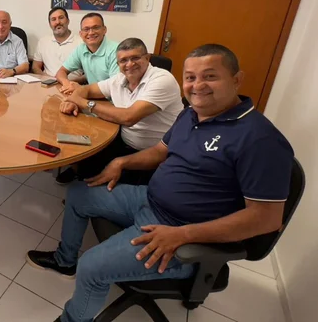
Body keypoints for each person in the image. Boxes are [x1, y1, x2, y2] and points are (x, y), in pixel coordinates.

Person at [26, 44, 294, 322]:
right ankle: (65, 260)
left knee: (92, 267)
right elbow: (160, 152)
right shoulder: (191, 114)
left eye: (210, 76)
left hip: (180, 231)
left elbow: (266, 219)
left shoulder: (260, 140)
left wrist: (184, 235)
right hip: (149, 200)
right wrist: (121, 162)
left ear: (236, 79)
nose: (197, 85)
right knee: (79, 193)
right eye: (190, 77)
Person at [55, 38, 183, 185]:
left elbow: (129, 117)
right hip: (124, 141)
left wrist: (83, 103)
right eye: (123, 60)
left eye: (135, 58)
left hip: (155, 152)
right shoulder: (120, 78)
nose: (129, 64)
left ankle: (92, 197)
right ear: (118, 64)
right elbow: (87, 89)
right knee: (81, 145)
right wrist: (73, 101)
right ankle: (83, 188)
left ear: (147, 58)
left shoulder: (162, 79)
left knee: (108, 186)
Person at [56, 13, 119, 94]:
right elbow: (61, 72)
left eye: (96, 28)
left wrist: (82, 89)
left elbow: (114, 86)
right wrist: (67, 84)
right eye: (86, 29)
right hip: (91, 96)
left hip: (113, 100)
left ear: (104, 30)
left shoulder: (116, 51)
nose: (91, 33)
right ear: (81, 34)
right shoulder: (81, 49)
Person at [32, 7, 83, 81]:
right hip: (47, 83)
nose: (57, 22)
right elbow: (35, 66)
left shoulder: (81, 42)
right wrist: (47, 78)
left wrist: (67, 82)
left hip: (72, 85)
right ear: (50, 24)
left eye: (61, 18)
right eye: (53, 19)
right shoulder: (43, 41)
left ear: (68, 21)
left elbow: (90, 73)